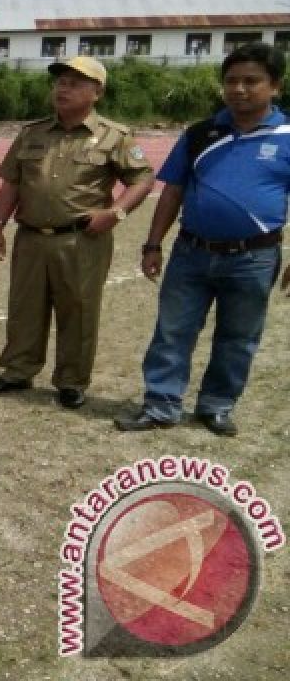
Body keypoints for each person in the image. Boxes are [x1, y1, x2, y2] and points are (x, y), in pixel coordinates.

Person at [118, 42, 290, 436]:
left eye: (252, 81)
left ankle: (216, 406)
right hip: (191, 253)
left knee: (239, 337)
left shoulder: (286, 135)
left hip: (254, 259)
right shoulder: (200, 133)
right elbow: (173, 191)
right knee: (172, 331)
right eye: (232, 81)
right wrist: (152, 243)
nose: (240, 89)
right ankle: (161, 405)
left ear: (275, 86)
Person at [0, 56, 154, 409]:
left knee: (79, 310)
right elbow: (12, 182)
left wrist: (114, 213)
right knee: (24, 308)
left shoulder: (114, 136)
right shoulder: (32, 132)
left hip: (81, 239)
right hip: (31, 237)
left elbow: (143, 179)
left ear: (97, 92)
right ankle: (17, 371)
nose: (64, 88)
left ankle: (71, 381)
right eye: (60, 82)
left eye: (75, 82)